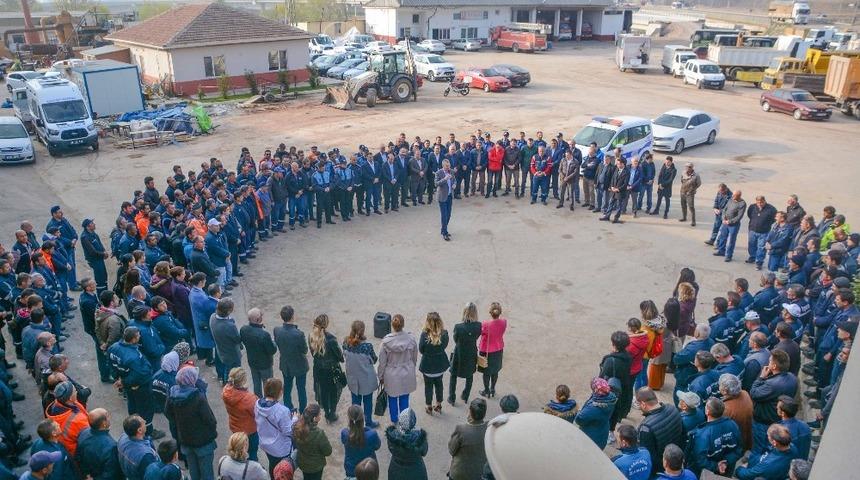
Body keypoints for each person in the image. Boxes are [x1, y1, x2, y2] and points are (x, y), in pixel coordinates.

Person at [164, 366, 217, 480]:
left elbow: (168, 413)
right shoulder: (198, 398)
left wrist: (179, 424)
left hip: (185, 440)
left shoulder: (172, 394)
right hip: (203, 442)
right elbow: (211, 421)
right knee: (207, 473)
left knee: (194, 472)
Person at [750, 349, 798, 456]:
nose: (768, 363)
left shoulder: (771, 384)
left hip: (763, 422)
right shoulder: (793, 378)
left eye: (770, 361)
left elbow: (753, 393)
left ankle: (754, 466)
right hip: (777, 419)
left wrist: (761, 377)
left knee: (758, 448)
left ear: (774, 366)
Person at [686, 397, 743, 477]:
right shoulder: (732, 424)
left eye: (706, 407)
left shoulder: (702, 434)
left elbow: (700, 460)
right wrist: (726, 462)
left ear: (707, 411)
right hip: (727, 469)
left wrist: (716, 466)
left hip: (708, 473)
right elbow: (739, 449)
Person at [378, 314, 418, 423]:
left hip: (391, 374)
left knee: (392, 398)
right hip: (406, 371)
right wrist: (411, 367)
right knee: (405, 398)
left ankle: (394, 420)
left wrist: (380, 375)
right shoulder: (411, 339)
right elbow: (414, 358)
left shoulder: (386, 342)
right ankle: (404, 420)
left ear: (392, 325)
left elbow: (382, 362)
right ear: (403, 325)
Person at [637, 388, 684, 477]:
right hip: (675, 459)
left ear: (643, 404)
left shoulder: (646, 427)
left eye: (639, 405)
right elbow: (682, 433)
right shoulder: (673, 409)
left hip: (660, 468)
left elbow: (647, 456)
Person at [255, 378, 297, 479]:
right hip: (280, 448)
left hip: (265, 444)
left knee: (273, 465)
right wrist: (295, 418)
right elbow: (288, 431)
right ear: (278, 392)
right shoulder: (282, 411)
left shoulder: (257, 404)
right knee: (283, 471)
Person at [342, 320, 379, 428]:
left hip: (353, 378)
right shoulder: (367, 347)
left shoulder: (345, 343)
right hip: (366, 379)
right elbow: (374, 359)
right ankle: (368, 423)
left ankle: (355, 423)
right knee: (368, 402)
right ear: (363, 331)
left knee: (355, 402)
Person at [308, 314, 344, 423]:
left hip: (318, 370)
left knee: (323, 391)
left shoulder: (311, 336)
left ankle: (327, 412)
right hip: (331, 370)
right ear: (326, 324)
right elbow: (340, 357)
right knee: (333, 392)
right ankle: (332, 413)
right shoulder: (331, 339)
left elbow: (313, 353)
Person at [274, 305, 309, 414]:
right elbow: (304, 350)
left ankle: (289, 408)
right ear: (292, 316)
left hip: (286, 365)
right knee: (301, 389)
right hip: (299, 365)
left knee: (287, 388)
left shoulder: (277, 330)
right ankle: (303, 411)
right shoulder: (298, 334)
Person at [222, 368, 260, 461]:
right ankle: (252, 469)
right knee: (252, 452)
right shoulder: (249, 398)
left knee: (239, 449)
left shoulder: (226, 392)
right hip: (249, 430)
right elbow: (256, 414)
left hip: (235, 427)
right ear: (243, 381)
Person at [75, 408, 122, 480]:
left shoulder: (83, 432)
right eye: (107, 417)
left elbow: (78, 457)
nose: (109, 418)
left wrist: (86, 474)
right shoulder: (111, 446)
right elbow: (111, 473)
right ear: (104, 424)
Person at [448, 303, 481, 406]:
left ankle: (452, 397)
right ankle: (465, 395)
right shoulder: (478, 326)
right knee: (469, 375)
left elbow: (455, 339)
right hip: (471, 353)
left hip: (459, 354)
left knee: (453, 375)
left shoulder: (458, 327)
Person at [448, 398, 488, 480]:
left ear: (470, 411)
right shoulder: (489, 428)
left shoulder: (461, 429)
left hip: (459, 473)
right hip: (478, 473)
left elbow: (452, 450)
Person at [240, 307, 277, 397]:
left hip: (252, 361)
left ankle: (257, 400)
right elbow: (272, 350)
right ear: (258, 319)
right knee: (268, 384)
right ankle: (268, 401)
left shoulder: (243, 329)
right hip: (265, 364)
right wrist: (273, 342)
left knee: (256, 383)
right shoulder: (264, 335)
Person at [600, 331, 632, 434]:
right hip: (622, 387)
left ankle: (606, 430)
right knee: (616, 410)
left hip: (610, 388)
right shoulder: (628, 357)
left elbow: (602, 376)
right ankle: (611, 431)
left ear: (614, 344)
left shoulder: (610, 360)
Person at [418, 312, 449, 415]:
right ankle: (439, 404)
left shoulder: (424, 335)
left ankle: (429, 406)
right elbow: (444, 346)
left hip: (428, 366)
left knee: (428, 387)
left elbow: (421, 349)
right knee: (439, 384)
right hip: (440, 366)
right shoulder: (444, 334)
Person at [385, 408, 428, 480]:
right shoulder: (420, 439)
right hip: (416, 471)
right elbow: (424, 452)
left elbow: (391, 449)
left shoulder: (393, 437)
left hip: (395, 470)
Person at [574, 377, 617, 449]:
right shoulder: (610, 398)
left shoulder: (594, 408)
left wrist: (579, 412)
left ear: (596, 390)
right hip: (602, 431)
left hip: (591, 435)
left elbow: (579, 419)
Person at [341, 405, 381, 480]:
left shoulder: (345, 433)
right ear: (363, 418)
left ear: (349, 419)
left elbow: (344, 441)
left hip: (351, 469)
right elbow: (377, 446)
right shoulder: (372, 434)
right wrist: (367, 428)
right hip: (369, 469)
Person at [293, 404, 332, 480]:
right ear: (314, 418)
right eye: (319, 414)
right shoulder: (319, 434)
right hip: (316, 467)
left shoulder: (297, 428)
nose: (320, 415)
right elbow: (328, 452)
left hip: (303, 463)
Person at [719, 374, 754, 452]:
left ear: (724, 391)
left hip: (736, 443)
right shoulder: (745, 393)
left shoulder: (725, 409)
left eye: (720, 385)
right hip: (749, 436)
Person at [211, 297, 243, 384]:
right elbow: (237, 339)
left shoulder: (212, 317)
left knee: (226, 368)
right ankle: (228, 385)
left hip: (221, 349)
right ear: (228, 311)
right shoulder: (229, 326)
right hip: (232, 354)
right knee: (232, 373)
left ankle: (223, 380)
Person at [478, 302, 507, 398]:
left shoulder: (485, 324)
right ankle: (493, 388)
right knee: (495, 371)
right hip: (498, 349)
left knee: (486, 373)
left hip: (486, 350)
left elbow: (481, 333)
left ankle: (486, 391)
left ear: (490, 312)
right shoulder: (504, 322)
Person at [117, 415, 159, 480]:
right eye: (143, 422)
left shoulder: (123, 437)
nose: (145, 421)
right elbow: (152, 475)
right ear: (139, 430)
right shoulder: (146, 456)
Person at [713, 190, 747, 262]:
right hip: (725, 222)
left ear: (739, 196)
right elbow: (725, 209)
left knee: (731, 241)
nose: (732, 196)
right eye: (733, 195)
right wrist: (723, 218)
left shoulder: (742, 204)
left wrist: (730, 221)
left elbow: (739, 216)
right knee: (723, 237)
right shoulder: (731, 200)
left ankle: (729, 255)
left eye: (734, 196)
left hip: (733, 225)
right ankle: (721, 251)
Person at [777, 395, 810, 460]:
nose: (776, 408)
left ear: (783, 413)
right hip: (802, 462)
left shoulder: (781, 432)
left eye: (778, 408)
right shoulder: (805, 426)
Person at [435, 159, 455, 241]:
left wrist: (454, 184)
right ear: (443, 166)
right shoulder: (439, 173)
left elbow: (455, 180)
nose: (448, 167)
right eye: (446, 166)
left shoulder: (452, 171)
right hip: (442, 197)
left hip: (449, 196)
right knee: (444, 215)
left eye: (449, 165)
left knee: (449, 214)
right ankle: (445, 232)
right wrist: (445, 179)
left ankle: (443, 229)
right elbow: (436, 183)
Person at [678, 162, 701, 227]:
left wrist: (693, 189)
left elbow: (699, 184)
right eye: (686, 167)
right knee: (683, 205)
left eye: (688, 167)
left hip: (690, 193)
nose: (687, 168)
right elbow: (682, 181)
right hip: (682, 192)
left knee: (691, 207)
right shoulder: (683, 173)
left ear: (691, 168)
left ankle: (693, 221)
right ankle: (684, 217)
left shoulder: (696, 175)